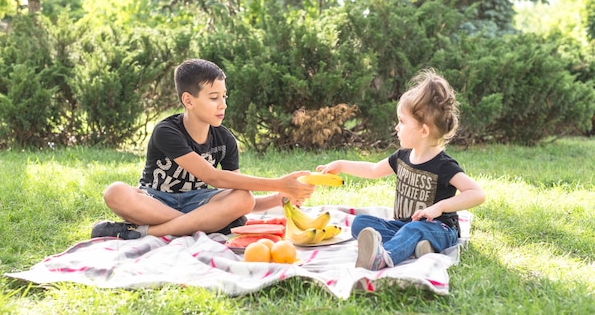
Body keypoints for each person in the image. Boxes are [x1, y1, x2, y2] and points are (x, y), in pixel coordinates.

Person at [91, 58, 315, 239]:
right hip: (156, 200)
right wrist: (278, 182)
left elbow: (236, 191)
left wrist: (278, 196)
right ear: (188, 101)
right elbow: (213, 177)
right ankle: (204, 225)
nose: (223, 104)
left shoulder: (224, 139)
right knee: (115, 192)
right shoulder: (167, 131)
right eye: (214, 97)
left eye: (224, 96)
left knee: (243, 198)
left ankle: (144, 232)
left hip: (198, 202)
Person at [316, 69, 485, 270]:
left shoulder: (444, 165)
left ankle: (383, 257)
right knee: (360, 224)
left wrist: (439, 207)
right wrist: (342, 165)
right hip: (404, 227)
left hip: (440, 229)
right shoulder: (403, 156)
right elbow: (373, 170)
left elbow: (477, 194)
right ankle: (419, 248)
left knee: (414, 230)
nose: (397, 127)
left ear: (423, 130)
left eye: (402, 122)